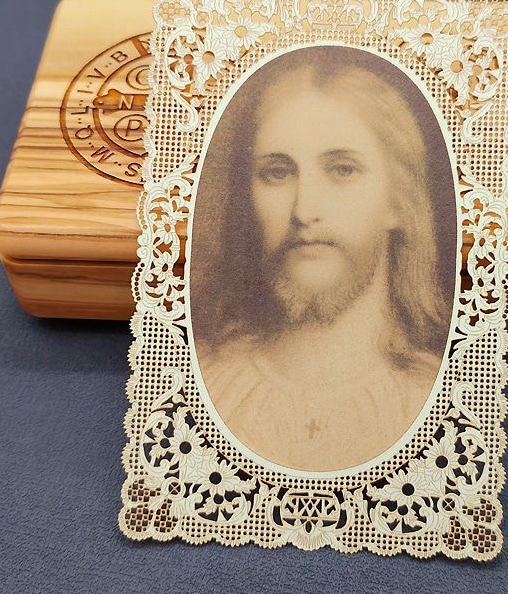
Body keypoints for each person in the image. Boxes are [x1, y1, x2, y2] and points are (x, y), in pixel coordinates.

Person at [190, 46, 454, 471]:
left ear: (398, 200)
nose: (304, 210)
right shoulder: (204, 385)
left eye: (342, 169)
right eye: (278, 173)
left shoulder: (439, 401)